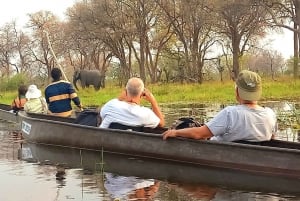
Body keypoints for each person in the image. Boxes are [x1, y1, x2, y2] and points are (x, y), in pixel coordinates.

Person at [163, 70, 277, 142]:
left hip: (218, 154)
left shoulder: (230, 113)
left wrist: (175, 132)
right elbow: (272, 138)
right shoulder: (270, 114)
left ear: (237, 92)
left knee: (185, 126)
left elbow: (198, 134)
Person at [99, 77, 165, 129]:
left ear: (125, 91)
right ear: (142, 94)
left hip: (104, 142)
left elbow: (101, 114)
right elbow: (161, 123)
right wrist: (153, 101)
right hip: (130, 144)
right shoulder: (146, 113)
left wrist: (119, 98)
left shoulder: (111, 104)